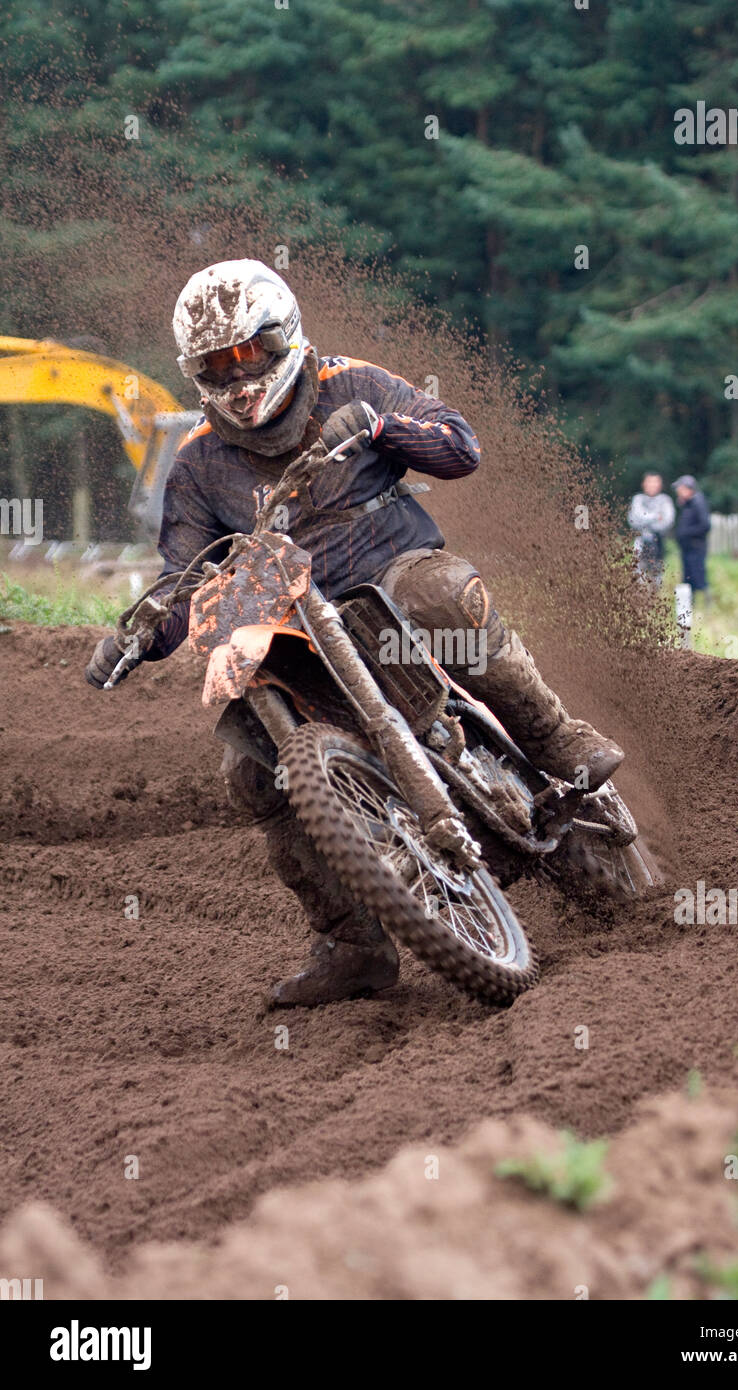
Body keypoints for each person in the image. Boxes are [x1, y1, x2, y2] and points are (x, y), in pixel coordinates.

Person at [85, 260, 624, 1006]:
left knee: (439, 594)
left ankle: (556, 737)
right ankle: (350, 943)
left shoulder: (351, 382)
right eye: (217, 365)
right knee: (249, 771)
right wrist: (140, 633)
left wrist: (382, 427)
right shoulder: (199, 462)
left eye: (249, 355)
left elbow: (461, 447)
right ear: (194, 372)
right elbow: (182, 576)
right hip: (289, 616)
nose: (239, 378)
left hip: (390, 569)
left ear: (285, 339)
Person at [627, 472, 674, 585]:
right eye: (650, 482)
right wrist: (655, 517)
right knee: (638, 573)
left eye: (655, 482)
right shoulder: (638, 499)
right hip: (640, 541)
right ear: (644, 484)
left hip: (658, 541)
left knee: (656, 574)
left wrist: (646, 520)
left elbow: (667, 521)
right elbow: (634, 519)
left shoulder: (665, 500)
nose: (652, 485)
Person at [673, 475, 711, 595]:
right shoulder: (688, 503)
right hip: (688, 547)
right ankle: (690, 606)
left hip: (695, 546)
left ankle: (706, 604)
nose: (677, 491)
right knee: (688, 578)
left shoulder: (698, 502)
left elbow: (705, 525)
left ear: (687, 489)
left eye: (679, 488)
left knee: (698, 577)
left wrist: (686, 532)